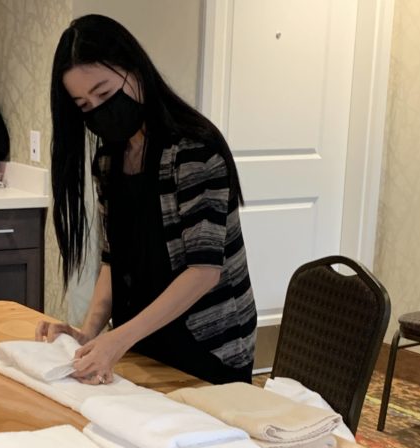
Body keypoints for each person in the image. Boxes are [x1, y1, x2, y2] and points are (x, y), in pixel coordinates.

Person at [36, 14, 256, 386]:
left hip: (206, 349)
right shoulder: (109, 160)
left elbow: (203, 272)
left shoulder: (194, 150)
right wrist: (88, 335)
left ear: (135, 71)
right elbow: (112, 258)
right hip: (144, 345)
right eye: (85, 106)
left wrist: (118, 339)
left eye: (104, 94)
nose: (98, 110)